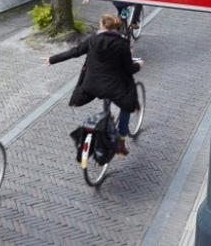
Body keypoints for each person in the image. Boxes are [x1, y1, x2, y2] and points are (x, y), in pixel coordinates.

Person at [47, 14, 144, 155]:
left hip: (91, 86)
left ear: (103, 26)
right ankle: (121, 140)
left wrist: (52, 59)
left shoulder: (93, 40)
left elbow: (75, 52)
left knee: (105, 96)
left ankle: (105, 119)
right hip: (114, 88)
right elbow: (129, 69)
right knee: (128, 104)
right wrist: (139, 65)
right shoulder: (122, 44)